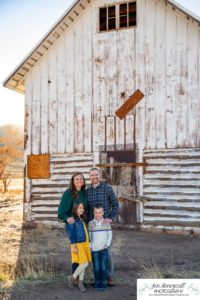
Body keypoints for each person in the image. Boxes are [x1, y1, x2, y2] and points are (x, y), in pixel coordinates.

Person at [86, 167, 119, 286]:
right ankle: (98, 277)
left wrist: (110, 218)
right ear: (89, 177)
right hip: (93, 227)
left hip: (105, 226)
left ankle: (109, 277)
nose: (94, 177)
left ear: (99, 175)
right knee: (95, 253)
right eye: (92, 175)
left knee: (107, 253)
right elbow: (87, 210)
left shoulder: (107, 189)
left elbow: (115, 205)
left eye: (96, 175)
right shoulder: (87, 191)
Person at [58, 173, 88, 274]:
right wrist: (67, 218)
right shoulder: (69, 193)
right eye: (77, 179)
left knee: (82, 250)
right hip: (73, 225)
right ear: (73, 181)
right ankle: (75, 277)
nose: (79, 181)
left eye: (81, 179)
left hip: (82, 225)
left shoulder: (83, 193)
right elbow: (61, 211)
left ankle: (79, 277)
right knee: (76, 251)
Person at [67, 202, 91, 292]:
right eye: (79, 208)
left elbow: (85, 232)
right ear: (75, 209)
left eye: (82, 208)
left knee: (83, 264)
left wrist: (88, 244)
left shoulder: (81, 219)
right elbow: (71, 234)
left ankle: (80, 282)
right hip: (78, 244)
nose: (82, 209)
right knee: (84, 263)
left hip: (84, 243)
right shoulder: (73, 220)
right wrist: (74, 246)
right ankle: (72, 278)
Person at [88, 204, 112, 291]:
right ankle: (97, 282)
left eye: (100, 212)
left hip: (103, 249)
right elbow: (89, 237)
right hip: (94, 250)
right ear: (93, 213)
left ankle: (103, 283)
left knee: (103, 266)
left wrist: (107, 245)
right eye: (96, 212)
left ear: (103, 213)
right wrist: (90, 246)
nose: (98, 214)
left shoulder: (106, 223)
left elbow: (109, 235)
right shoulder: (90, 223)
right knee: (96, 267)